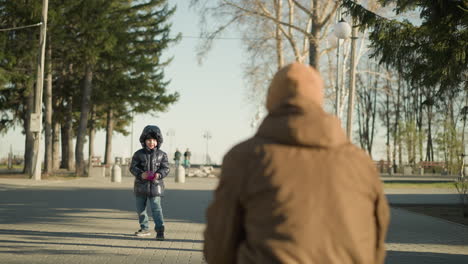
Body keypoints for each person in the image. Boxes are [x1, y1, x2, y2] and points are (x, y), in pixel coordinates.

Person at [203, 63, 390, 264]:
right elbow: (376, 243)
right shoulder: (360, 162)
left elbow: (219, 248)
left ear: (271, 100)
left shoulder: (245, 158)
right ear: (319, 99)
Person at [130, 125, 169, 240]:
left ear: (158, 141)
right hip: (140, 186)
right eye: (148, 140)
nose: (151, 142)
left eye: (154, 140)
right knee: (140, 209)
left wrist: (159, 175)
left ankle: (160, 230)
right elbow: (132, 167)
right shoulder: (138, 154)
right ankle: (144, 228)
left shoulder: (162, 154)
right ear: (144, 141)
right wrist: (140, 174)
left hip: (156, 187)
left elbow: (166, 168)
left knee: (156, 209)